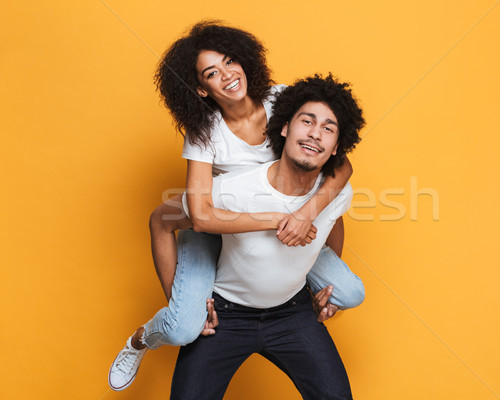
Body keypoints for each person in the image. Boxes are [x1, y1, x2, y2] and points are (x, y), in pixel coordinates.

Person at [108, 21, 364, 392]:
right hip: (224, 218)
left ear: (245, 61)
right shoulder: (204, 133)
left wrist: (305, 218)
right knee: (183, 326)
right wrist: (185, 307)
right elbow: (201, 215)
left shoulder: (284, 102)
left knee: (350, 291)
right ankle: (141, 339)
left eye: (230, 61)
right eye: (212, 73)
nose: (227, 75)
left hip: (287, 219)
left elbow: (339, 173)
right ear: (200, 88)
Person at [170, 73, 364, 399]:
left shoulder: (338, 194)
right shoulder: (229, 191)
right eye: (307, 122)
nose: (315, 134)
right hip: (225, 317)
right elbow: (163, 221)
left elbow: (334, 222)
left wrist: (324, 290)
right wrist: (180, 308)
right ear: (285, 127)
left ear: (335, 149)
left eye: (328, 129)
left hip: (293, 315)